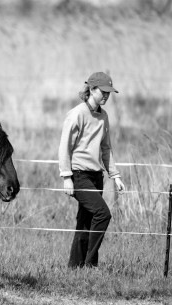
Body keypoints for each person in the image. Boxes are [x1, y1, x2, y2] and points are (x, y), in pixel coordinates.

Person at [58, 72, 126, 268]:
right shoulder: (77, 113)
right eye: (103, 91)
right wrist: (66, 177)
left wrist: (115, 175)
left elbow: (106, 148)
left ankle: (74, 268)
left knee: (85, 222)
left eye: (109, 93)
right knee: (103, 214)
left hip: (97, 176)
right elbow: (65, 147)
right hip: (79, 175)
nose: (106, 96)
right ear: (92, 89)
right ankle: (90, 264)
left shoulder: (103, 116)